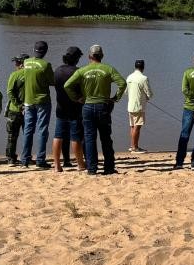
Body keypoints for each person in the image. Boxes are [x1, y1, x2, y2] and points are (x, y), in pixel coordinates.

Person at [65, 44, 126, 175]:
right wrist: (115, 98)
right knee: (106, 138)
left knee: (89, 138)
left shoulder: (82, 70)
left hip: (87, 107)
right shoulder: (108, 69)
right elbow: (122, 83)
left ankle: (92, 169)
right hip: (103, 107)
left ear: (89, 56)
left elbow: (67, 85)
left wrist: (77, 98)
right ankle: (109, 168)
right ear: (102, 56)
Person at [22, 41, 54, 169]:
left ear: (33, 49)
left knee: (28, 130)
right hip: (42, 101)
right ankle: (40, 160)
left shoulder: (26, 62)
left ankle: (25, 159)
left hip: (28, 101)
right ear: (45, 51)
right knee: (42, 130)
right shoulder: (46, 65)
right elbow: (52, 81)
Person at [53, 47, 85, 172]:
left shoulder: (57, 70)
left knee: (58, 136)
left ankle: (57, 165)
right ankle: (80, 164)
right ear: (76, 59)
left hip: (60, 108)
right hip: (75, 108)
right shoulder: (78, 72)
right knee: (75, 137)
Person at [4, 54, 28, 166]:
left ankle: (10, 158)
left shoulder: (15, 74)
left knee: (12, 135)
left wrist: (18, 105)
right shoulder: (32, 74)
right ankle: (26, 157)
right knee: (27, 134)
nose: (16, 65)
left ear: (22, 64)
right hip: (29, 109)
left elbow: (9, 92)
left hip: (14, 110)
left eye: (17, 63)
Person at [126, 59, 153, 153]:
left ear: (135, 67)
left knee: (132, 126)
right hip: (139, 106)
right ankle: (135, 148)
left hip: (130, 106)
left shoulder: (129, 77)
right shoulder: (144, 78)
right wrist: (147, 97)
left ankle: (132, 146)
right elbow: (149, 93)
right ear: (143, 67)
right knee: (137, 127)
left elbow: (126, 92)